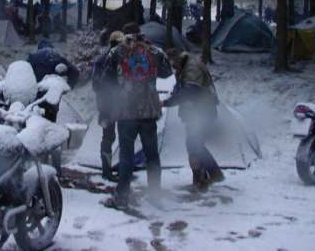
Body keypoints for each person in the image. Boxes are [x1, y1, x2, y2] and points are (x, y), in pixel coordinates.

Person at [102, 22, 172, 209]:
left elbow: (106, 80)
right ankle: (155, 195)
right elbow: (167, 72)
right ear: (140, 33)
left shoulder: (116, 52)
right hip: (149, 112)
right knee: (152, 155)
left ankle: (122, 197)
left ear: (124, 34)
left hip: (125, 112)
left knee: (126, 156)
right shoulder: (154, 51)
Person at [163, 49, 224, 191]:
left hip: (202, 111)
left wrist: (167, 102)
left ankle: (208, 177)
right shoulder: (186, 65)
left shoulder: (192, 67)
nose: (173, 67)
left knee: (194, 145)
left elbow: (189, 91)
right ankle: (206, 177)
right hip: (195, 111)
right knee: (194, 145)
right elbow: (181, 88)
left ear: (177, 59)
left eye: (173, 64)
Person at [92, 31, 125, 182]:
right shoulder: (121, 59)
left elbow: (95, 85)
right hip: (120, 104)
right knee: (123, 137)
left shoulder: (100, 59)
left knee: (108, 137)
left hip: (104, 104)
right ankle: (121, 169)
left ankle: (107, 170)